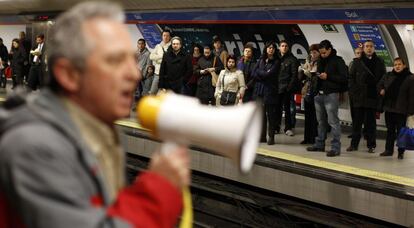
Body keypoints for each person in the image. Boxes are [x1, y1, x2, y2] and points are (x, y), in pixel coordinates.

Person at [0, 2, 190, 228]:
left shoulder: (95, 131)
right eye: (115, 60)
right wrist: (160, 188)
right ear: (69, 74)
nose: (133, 74)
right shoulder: (34, 146)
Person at [306, 40, 348, 157]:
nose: (322, 55)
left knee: (333, 121)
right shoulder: (320, 61)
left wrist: (328, 76)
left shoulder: (338, 61)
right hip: (319, 94)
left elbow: (344, 78)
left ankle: (335, 147)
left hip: (331, 94)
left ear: (330, 50)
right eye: (321, 53)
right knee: (321, 121)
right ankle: (319, 144)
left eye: (324, 52)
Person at [348, 40, 386, 153]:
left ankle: (371, 145)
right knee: (357, 123)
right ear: (363, 48)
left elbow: (383, 78)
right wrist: (354, 91)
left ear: (374, 48)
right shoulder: (357, 62)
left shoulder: (379, 62)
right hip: (359, 96)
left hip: (372, 96)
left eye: (371, 46)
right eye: (367, 46)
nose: (369, 48)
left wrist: (380, 90)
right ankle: (354, 144)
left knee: (371, 123)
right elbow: (351, 78)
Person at [377, 58, 413, 159]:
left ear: (404, 65)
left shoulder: (410, 78)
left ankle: (401, 152)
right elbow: (379, 85)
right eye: (395, 64)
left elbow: (412, 96)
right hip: (389, 108)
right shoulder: (388, 75)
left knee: (401, 132)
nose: (397, 66)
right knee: (390, 130)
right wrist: (381, 89)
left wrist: (411, 111)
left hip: (401, 109)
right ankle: (388, 150)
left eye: (399, 64)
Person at [252, 41, 280, 145]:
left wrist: (261, 73)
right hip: (260, 91)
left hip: (270, 91)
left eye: (272, 48)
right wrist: (263, 74)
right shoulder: (261, 60)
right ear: (266, 49)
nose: (271, 49)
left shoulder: (277, 61)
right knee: (261, 115)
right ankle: (262, 136)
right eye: (269, 48)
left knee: (271, 115)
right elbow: (253, 73)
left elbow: (270, 75)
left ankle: (271, 136)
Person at [275, 40, 299, 137]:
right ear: (279, 47)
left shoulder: (292, 59)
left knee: (288, 109)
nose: (284, 47)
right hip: (277, 88)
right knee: (277, 108)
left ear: (288, 48)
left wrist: (289, 87)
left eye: (286, 46)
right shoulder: (276, 58)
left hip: (287, 89)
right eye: (282, 46)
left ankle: (288, 128)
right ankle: (276, 127)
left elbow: (294, 75)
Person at [300, 44, 319, 145]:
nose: (312, 54)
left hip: (315, 91)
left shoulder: (320, 63)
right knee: (307, 116)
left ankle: (313, 137)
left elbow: (317, 76)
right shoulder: (309, 62)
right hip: (307, 89)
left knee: (314, 116)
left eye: (314, 52)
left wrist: (310, 74)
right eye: (311, 53)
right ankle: (307, 137)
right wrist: (303, 72)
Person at [149, 29, 171, 94]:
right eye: (164, 35)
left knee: (164, 95)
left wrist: (158, 59)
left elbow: (169, 60)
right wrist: (161, 57)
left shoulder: (172, 47)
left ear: (170, 37)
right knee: (152, 92)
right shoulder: (158, 46)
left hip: (167, 75)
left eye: (167, 36)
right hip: (157, 74)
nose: (166, 37)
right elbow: (151, 56)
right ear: (162, 36)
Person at [348, 47, 363, 138]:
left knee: (362, 114)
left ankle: (364, 132)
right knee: (353, 113)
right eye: (357, 53)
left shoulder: (365, 64)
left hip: (362, 92)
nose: (359, 55)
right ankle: (355, 131)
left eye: (360, 53)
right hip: (352, 92)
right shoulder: (352, 63)